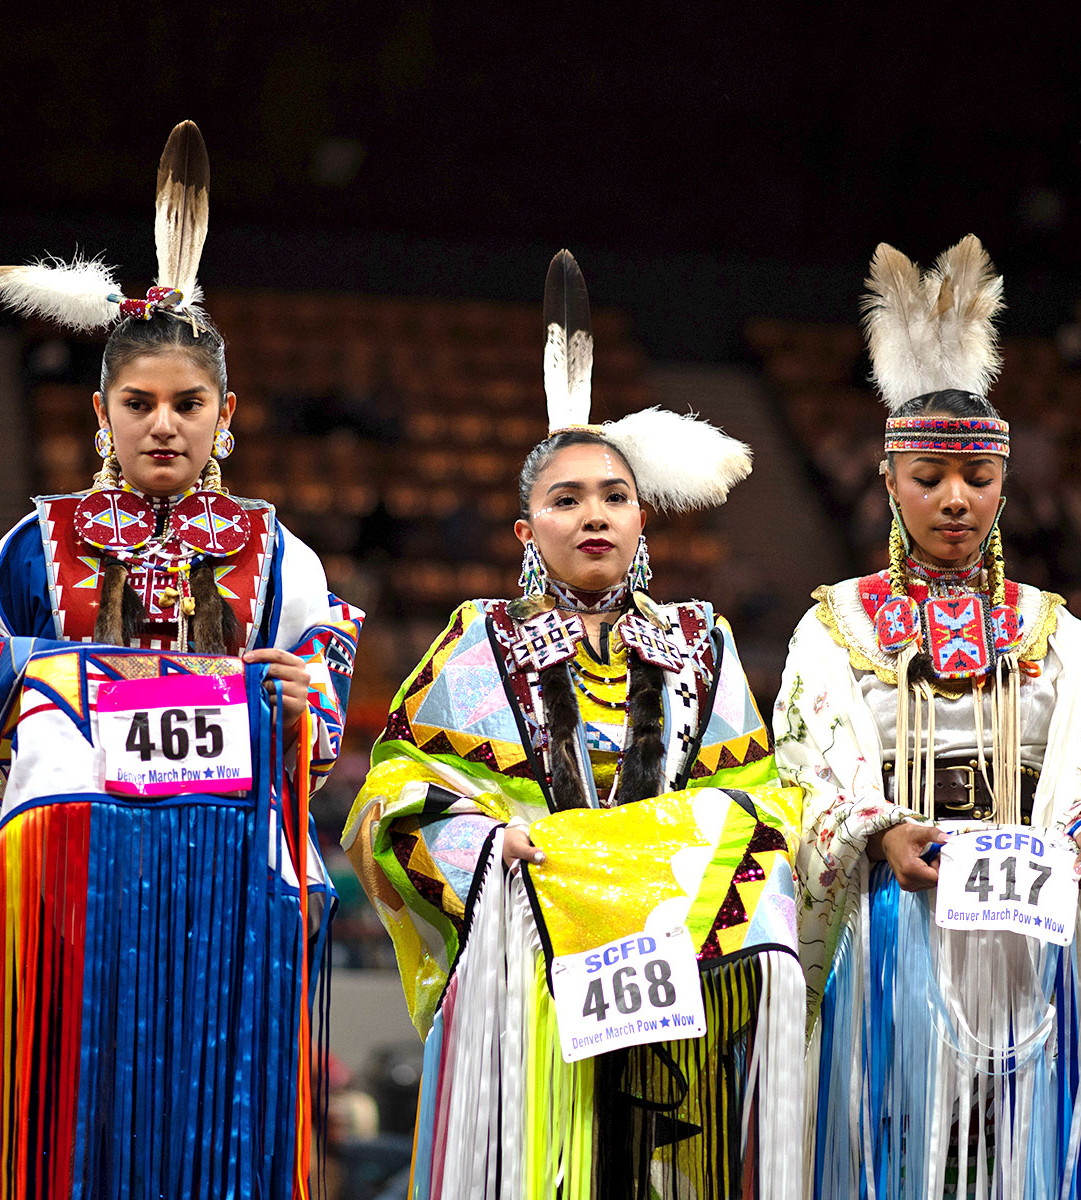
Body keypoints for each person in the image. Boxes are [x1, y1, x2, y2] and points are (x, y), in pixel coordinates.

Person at [0, 122, 363, 1198]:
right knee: (73, 1094)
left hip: (228, 864)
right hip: (81, 864)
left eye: (187, 404)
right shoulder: (42, 537)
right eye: (139, 404)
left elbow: (323, 668)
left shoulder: (275, 546)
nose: (163, 425)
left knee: (212, 1101)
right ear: (101, 414)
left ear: (226, 415)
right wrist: (41, 680)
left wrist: (307, 694)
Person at [343, 251, 806, 1197]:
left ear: (643, 521)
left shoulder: (700, 642)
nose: (593, 516)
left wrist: (654, 860)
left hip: (675, 977)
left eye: (614, 497)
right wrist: (486, 845)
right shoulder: (480, 640)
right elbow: (391, 797)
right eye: (565, 500)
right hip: (531, 978)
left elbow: (762, 801)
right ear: (527, 531)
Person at [776, 237, 1081, 1196]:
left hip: (1028, 928)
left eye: (976, 479)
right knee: (898, 1154)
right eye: (929, 477)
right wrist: (880, 829)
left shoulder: (1049, 625)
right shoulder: (838, 623)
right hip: (897, 921)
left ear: (1004, 486)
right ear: (889, 481)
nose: (954, 500)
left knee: (1014, 1159)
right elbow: (810, 766)